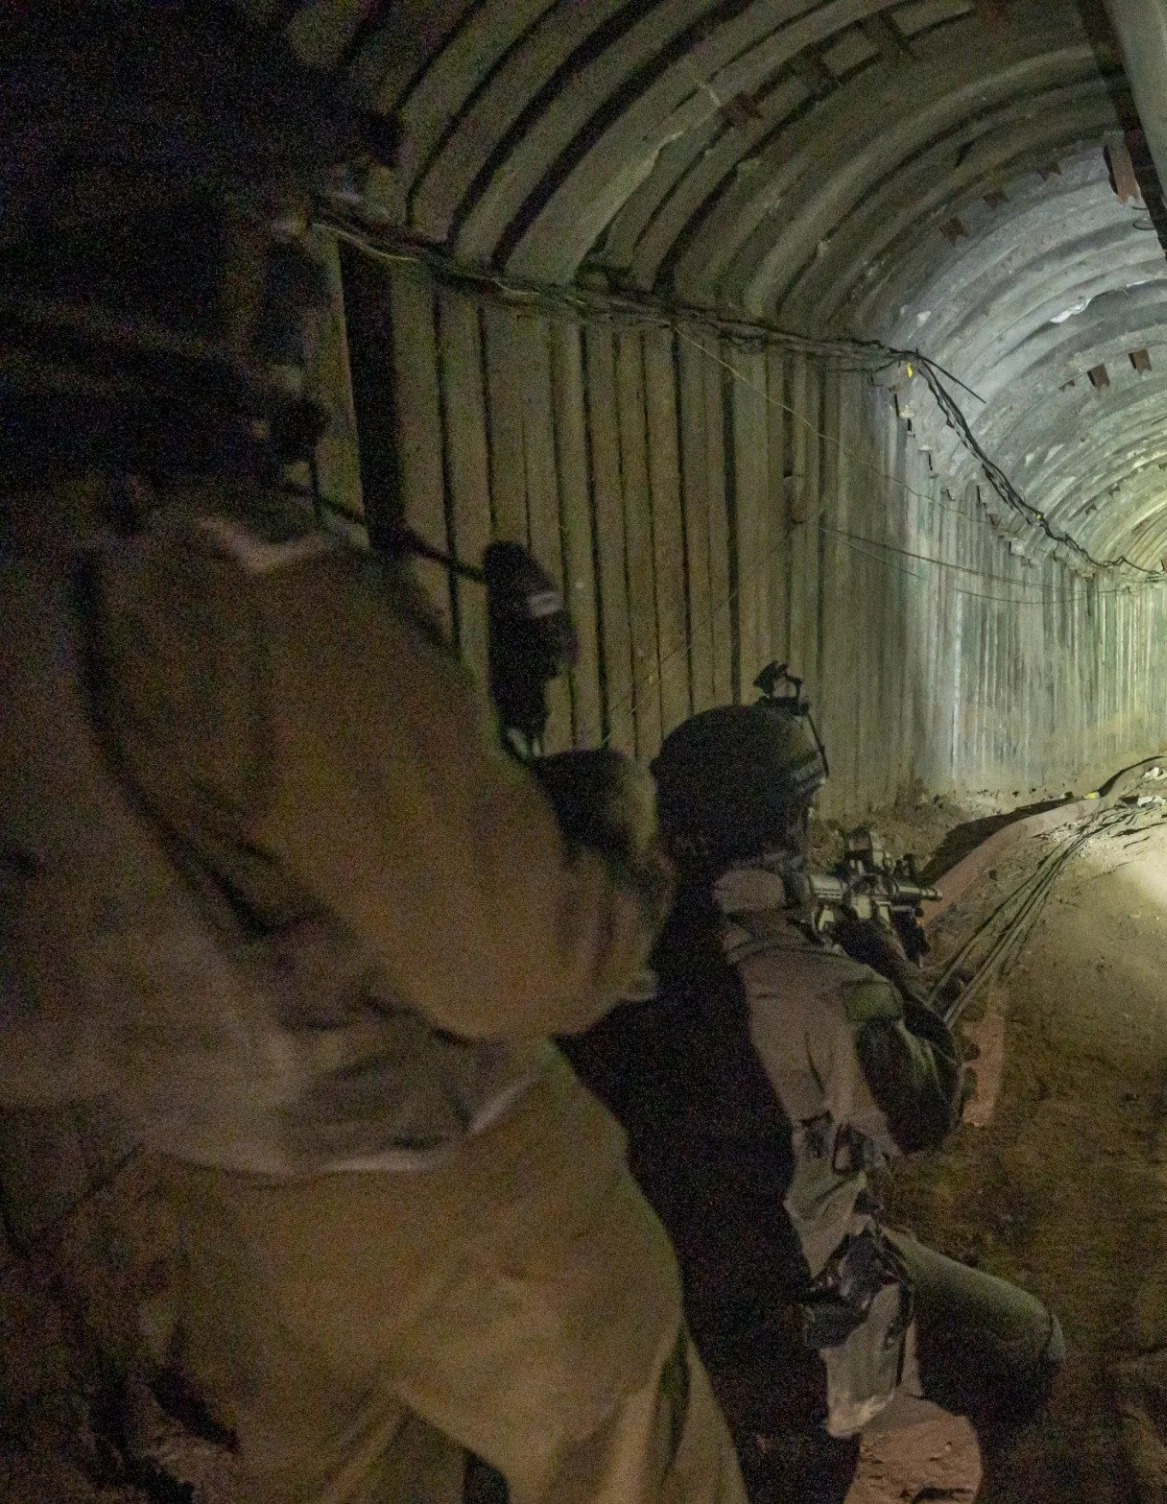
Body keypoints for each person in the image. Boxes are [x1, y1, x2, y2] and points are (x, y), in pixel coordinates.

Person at [0, 6, 746, 1500]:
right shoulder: (244, 589)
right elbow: (520, 960)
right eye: (264, 231)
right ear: (161, 248)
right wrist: (609, 829)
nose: (283, 284)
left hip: (232, 1221)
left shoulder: (31, 578)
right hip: (454, 1186)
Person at [562, 698, 1065, 1502]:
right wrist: (888, 962)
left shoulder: (592, 956)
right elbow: (930, 1107)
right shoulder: (813, 985)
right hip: (777, 1329)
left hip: (631, 1308)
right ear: (789, 824)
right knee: (1028, 1347)